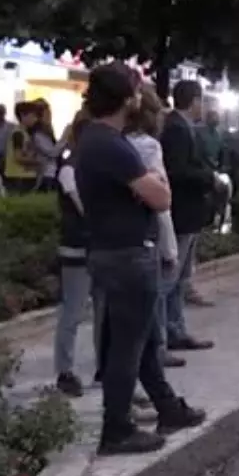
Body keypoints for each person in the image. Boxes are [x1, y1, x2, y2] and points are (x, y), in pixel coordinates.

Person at [75, 62, 205, 455]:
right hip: (127, 256)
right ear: (124, 98)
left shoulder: (96, 140)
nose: (139, 98)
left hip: (113, 253)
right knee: (127, 348)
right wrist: (154, 186)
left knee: (142, 341)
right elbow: (162, 197)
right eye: (134, 91)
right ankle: (117, 429)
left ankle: (167, 408)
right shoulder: (111, 145)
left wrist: (149, 188)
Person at [126, 89, 184, 367]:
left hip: (128, 234)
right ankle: (155, 349)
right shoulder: (149, 147)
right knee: (159, 291)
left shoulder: (120, 142)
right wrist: (170, 247)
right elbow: (162, 200)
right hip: (151, 230)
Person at [158, 79, 216, 352]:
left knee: (181, 278)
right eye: (201, 100)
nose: (203, 106)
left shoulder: (184, 128)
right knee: (171, 278)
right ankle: (163, 334)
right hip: (181, 212)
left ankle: (175, 330)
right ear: (193, 101)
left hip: (190, 212)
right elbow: (177, 172)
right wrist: (208, 177)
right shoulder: (176, 130)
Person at [53, 114, 95, 396]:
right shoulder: (70, 168)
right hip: (78, 246)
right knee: (73, 310)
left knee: (97, 311)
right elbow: (86, 208)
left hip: (96, 246)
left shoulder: (88, 165)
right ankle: (64, 372)